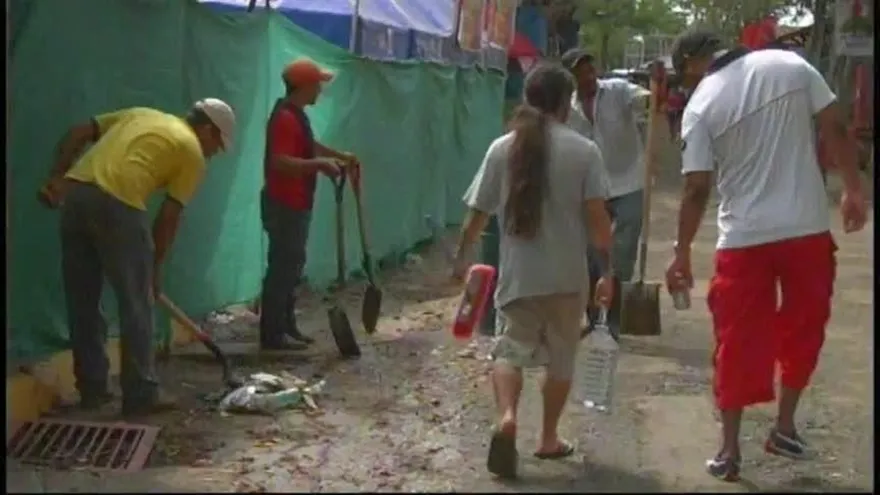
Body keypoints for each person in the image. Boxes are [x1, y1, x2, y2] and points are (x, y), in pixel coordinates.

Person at [664, 30, 868, 481]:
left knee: (736, 339)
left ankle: (730, 450)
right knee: (805, 326)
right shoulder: (789, 65)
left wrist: (681, 253)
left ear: (695, 61)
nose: (685, 81)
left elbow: (696, 187)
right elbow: (834, 125)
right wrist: (854, 189)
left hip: (743, 239)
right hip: (807, 228)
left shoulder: (701, 104)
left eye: (684, 71)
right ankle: (785, 426)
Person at [454, 63, 614, 479]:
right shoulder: (584, 151)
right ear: (566, 102)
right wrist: (607, 272)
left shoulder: (502, 148)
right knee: (561, 359)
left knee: (510, 350)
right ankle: (547, 438)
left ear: (528, 98)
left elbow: (477, 214)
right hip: (567, 276)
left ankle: (507, 416)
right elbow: (599, 222)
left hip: (519, 277)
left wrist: (462, 258)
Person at [37, 98, 237, 418]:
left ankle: (93, 389)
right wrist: (153, 272)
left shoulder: (142, 114)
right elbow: (169, 217)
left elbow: (77, 132)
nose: (215, 151)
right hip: (120, 203)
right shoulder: (192, 152)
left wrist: (57, 177)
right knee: (136, 303)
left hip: (77, 196)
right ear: (206, 129)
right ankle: (141, 394)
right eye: (217, 142)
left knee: (83, 300)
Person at [259, 58, 359, 351]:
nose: (320, 91)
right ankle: (273, 335)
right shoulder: (285, 118)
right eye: (317, 85)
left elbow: (306, 146)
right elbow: (280, 161)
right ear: (304, 87)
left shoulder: (296, 115)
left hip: (296, 202)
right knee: (283, 268)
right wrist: (319, 165)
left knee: (292, 266)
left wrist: (337, 155)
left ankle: (287, 327)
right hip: (284, 203)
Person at [560, 49, 651, 336]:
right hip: (591, 186)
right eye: (579, 72)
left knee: (623, 247)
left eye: (589, 69)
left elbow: (645, 99)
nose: (587, 76)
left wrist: (656, 91)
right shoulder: (568, 107)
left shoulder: (618, 90)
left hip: (628, 180)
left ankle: (614, 312)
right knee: (591, 251)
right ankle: (592, 315)